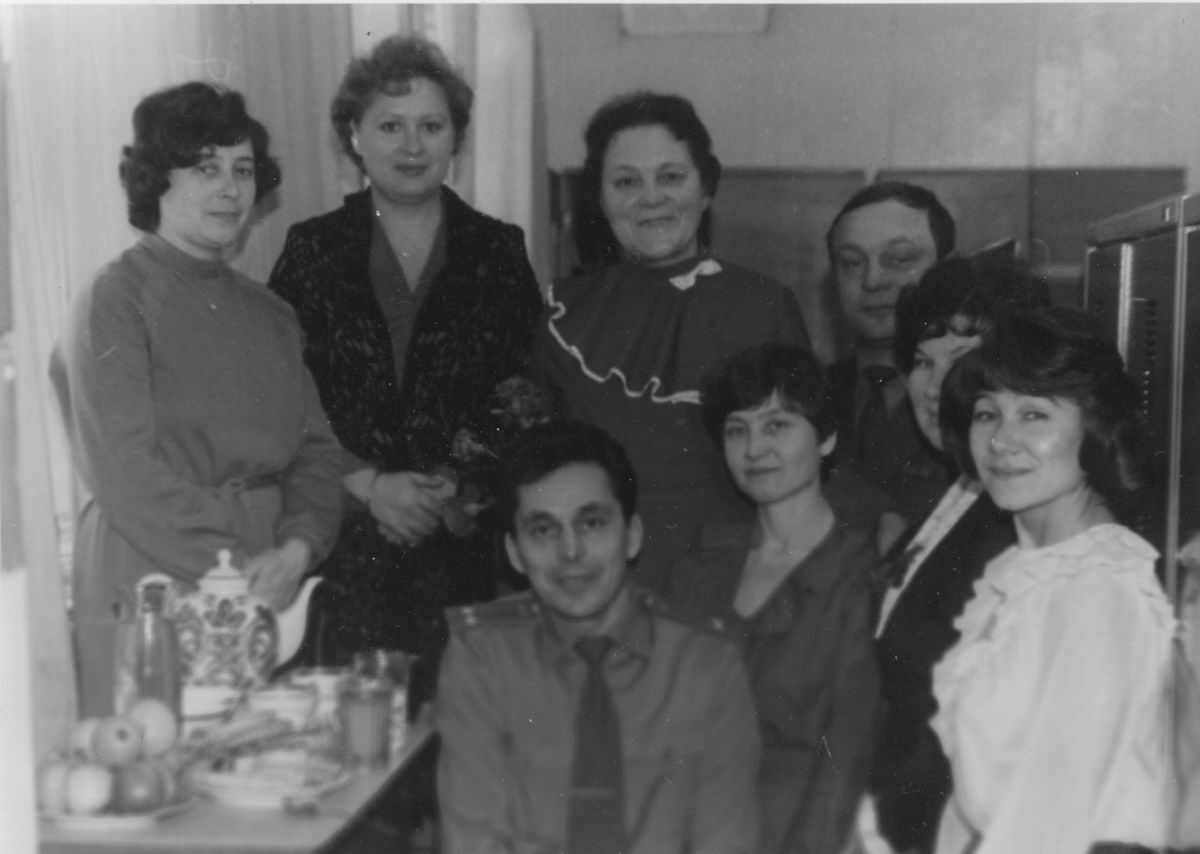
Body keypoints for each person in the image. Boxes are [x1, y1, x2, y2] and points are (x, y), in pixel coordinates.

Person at [49, 82, 343, 717]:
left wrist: (297, 548)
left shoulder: (272, 314)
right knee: (157, 758)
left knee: (254, 757)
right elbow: (124, 468)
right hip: (154, 568)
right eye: (206, 169)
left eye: (243, 170)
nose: (231, 189)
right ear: (156, 179)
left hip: (266, 572)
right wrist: (237, 566)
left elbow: (317, 453)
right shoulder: (113, 299)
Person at [266, 36, 543, 675]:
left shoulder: (498, 249)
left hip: (460, 545)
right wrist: (367, 484)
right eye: (391, 126)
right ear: (355, 137)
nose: (412, 145)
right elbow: (279, 393)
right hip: (339, 544)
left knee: (458, 720)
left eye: (431, 126)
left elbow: (526, 390)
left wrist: (454, 482)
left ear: (455, 139)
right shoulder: (312, 250)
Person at [531, 91, 813, 593]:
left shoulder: (764, 306)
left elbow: (806, 471)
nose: (651, 198)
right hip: (595, 583)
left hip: (730, 581)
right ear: (601, 198)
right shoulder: (561, 314)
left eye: (671, 176)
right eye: (626, 182)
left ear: (706, 189)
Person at [436, 420, 762, 853]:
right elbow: (474, 842)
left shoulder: (706, 664)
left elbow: (726, 842)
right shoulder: (482, 659)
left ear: (632, 536)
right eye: (543, 530)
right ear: (515, 552)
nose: (570, 551)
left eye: (591, 523)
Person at [931, 306, 1175, 853]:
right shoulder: (1024, 571)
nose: (1001, 440)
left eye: (1034, 415)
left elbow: (1052, 827)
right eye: (987, 414)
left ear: (1095, 429)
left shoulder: (1095, 592)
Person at [859, 257, 1049, 854]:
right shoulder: (961, 494)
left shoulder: (1023, 519)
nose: (935, 383)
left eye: (962, 358)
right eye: (923, 360)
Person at [666, 343, 880, 854]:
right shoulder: (695, 572)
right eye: (736, 430)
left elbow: (847, 758)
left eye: (777, 425)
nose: (753, 448)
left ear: (826, 437)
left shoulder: (865, 573)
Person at [826, 182, 957, 524]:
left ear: (946, 270)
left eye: (899, 259)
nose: (873, 281)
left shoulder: (982, 394)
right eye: (852, 262)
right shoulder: (811, 393)